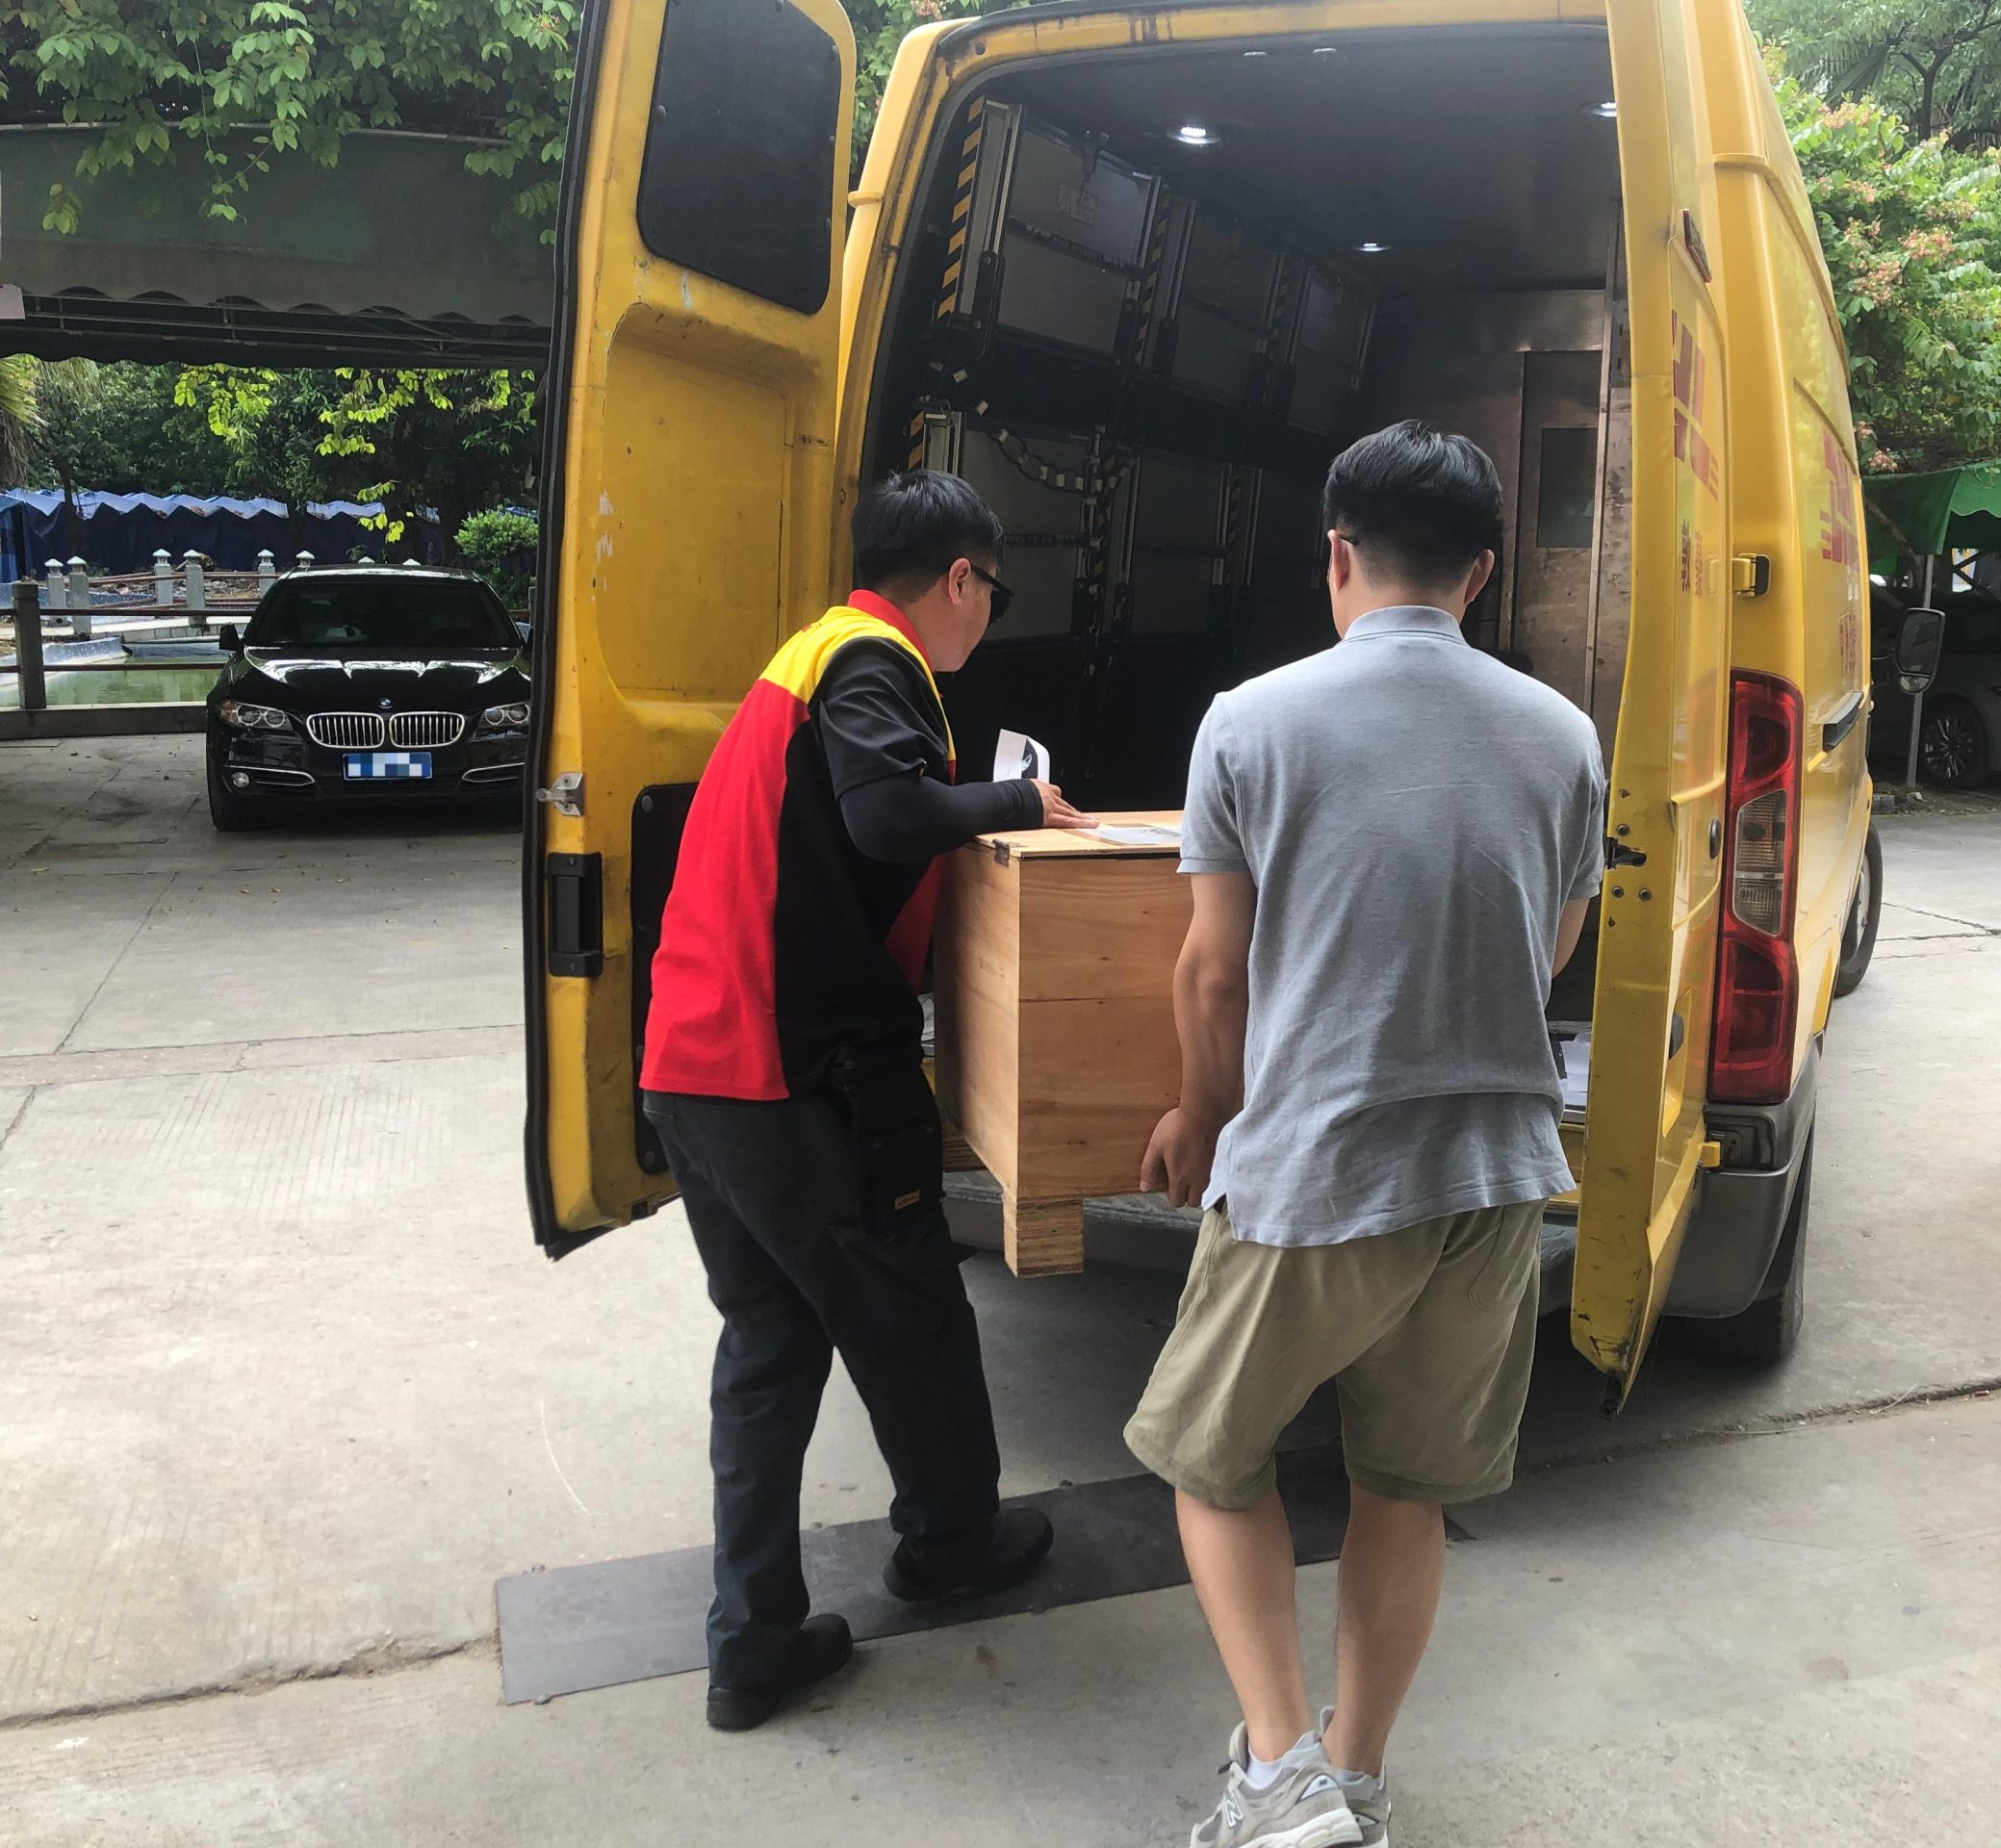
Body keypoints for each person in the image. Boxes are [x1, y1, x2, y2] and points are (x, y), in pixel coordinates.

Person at [1128, 423, 1604, 1847]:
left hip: (1318, 1169)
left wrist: (1201, 1114)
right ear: (1483, 574)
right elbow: (1552, 943)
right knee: (1408, 1487)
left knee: (1208, 1459)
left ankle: (1282, 1775)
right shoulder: (1562, 734)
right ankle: (1359, 1774)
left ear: (1336, 554)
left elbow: (1214, 971)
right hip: (1497, 1175)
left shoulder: (1252, 721)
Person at [640, 470, 1090, 1732]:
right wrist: (1021, 802)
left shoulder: (809, 654)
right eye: (991, 594)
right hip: (793, 1077)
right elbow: (888, 815)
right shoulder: (874, 659)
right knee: (913, 1311)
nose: (986, 617)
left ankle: (752, 1643)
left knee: (771, 1345)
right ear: (960, 577)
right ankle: (952, 1544)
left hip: (696, 1067)